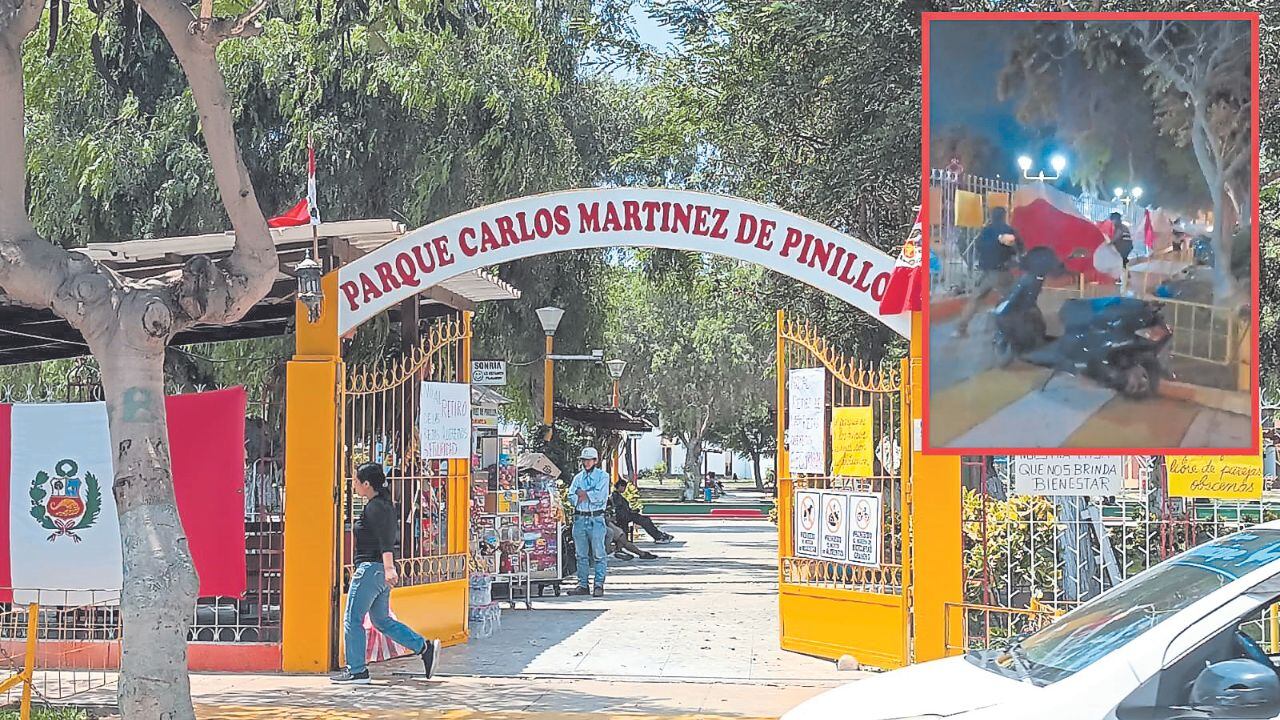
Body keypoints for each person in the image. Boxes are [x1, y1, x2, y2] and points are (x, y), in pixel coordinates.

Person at [332, 463, 441, 684]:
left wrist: (390, 567)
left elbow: (386, 540)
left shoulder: (376, 507)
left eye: (356, 481)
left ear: (366, 484)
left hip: (371, 569)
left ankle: (357, 671)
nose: (354, 485)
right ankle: (423, 647)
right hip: (379, 572)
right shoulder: (383, 504)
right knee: (381, 620)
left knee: (353, 619)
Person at [953, 206, 1024, 338]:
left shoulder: (985, 231)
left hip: (985, 272)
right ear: (1004, 216)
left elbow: (978, 246)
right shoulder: (1008, 230)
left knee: (975, 300)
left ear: (991, 216)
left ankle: (960, 329)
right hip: (1001, 272)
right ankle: (1017, 329)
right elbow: (1018, 248)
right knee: (1013, 298)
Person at [567, 447, 610, 597]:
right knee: (581, 554)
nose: (586, 463)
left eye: (589, 460)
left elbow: (600, 496)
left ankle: (598, 584)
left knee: (599, 553)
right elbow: (571, 496)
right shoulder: (578, 477)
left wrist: (584, 494)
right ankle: (582, 584)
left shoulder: (603, 476)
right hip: (580, 518)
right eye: (584, 460)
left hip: (596, 518)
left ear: (595, 461)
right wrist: (583, 496)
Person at [610, 479, 674, 543]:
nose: (624, 489)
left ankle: (658, 535)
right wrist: (631, 512)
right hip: (624, 516)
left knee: (645, 520)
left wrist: (633, 511)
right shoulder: (615, 496)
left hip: (626, 515)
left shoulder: (617, 495)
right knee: (645, 521)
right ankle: (658, 536)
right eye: (624, 487)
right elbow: (620, 509)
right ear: (620, 486)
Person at [1106, 211, 1134, 288]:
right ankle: (1126, 274)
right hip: (1127, 247)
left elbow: (1116, 237)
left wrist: (1109, 244)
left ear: (1116, 219)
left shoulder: (1120, 227)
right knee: (1122, 260)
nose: (1111, 222)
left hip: (1123, 247)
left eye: (1112, 220)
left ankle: (1119, 277)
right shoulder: (1123, 226)